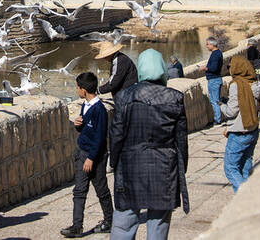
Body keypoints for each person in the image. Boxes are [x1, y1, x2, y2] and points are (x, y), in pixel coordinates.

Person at [109, 49, 188, 240]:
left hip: (130, 166)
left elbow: (116, 135)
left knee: (124, 223)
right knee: (158, 224)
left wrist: (114, 162)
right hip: (164, 168)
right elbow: (181, 141)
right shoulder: (175, 98)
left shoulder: (124, 97)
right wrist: (181, 168)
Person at [61, 72, 113, 238]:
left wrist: (91, 158)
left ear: (83, 90)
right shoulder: (86, 105)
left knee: (101, 190)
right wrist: (78, 124)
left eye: (77, 87)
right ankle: (77, 226)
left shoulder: (99, 110)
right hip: (82, 153)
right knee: (79, 191)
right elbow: (85, 128)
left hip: (94, 157)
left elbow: (100, 136)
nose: (76, 90)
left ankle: (110, 220)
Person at [220, 55, 260, 193]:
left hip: (240, 131)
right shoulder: (257, 84)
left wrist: (221, 105)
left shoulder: (237, 86)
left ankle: (245, 197)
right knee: (246, 166)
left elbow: (231, 112)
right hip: (253, 130)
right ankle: (250, 195)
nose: (229, 70)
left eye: (230, 67)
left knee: (230, 168)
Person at [198, 37, 223, 125]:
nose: (206, 46)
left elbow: (214, 68)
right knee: (215, 100)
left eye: (207, 44)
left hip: (214, 80)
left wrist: (204, 68)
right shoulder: (217, 53)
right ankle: (218, 118)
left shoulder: (216, 54)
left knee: (214, 100)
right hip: (215, 79)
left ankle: (217, 120)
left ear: (212, 44)